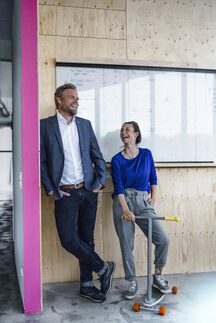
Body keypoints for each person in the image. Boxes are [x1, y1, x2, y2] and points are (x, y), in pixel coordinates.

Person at [40, 83, 115, 303]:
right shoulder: (45, 126)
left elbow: (97, 154)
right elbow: (42, 161)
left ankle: (87, 285)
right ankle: (103, 268)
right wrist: (51, 189)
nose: (76, 101)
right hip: (64, 194)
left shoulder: (84, 125)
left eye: (78, 98)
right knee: (69, 240)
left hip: (88, 190)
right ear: (59, 100)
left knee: (86, 239)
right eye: (72, 97)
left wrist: (100, 180)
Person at [111, 121, 171, 300]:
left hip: (144, 201)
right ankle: (132, 281)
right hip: (123, 201)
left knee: (163, 240)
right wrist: (125, 209)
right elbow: (119, 187)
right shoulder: (116, 159)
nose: (124, 132)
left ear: (136, 134)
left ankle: (158, 275)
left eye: (127, 129)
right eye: (122, 130)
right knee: (127, 244)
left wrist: (153, 198)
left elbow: (153, 177)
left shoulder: (146, 154)